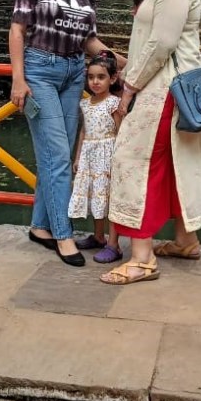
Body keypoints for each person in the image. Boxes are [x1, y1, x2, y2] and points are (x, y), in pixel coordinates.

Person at [100, 0, 201, 286]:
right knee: (172, 163)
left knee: (136, 164)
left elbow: (162, 43)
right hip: (171, 87)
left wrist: (129, 88)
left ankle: (141, 258)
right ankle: (186, 240)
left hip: (162, 90)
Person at [9, 0, 124, 267]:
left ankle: (41, 226)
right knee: (59, 156)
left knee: (55, 155)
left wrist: (125, 61)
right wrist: (18, 78)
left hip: (75, 72)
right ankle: (64, 234)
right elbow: (17, 28)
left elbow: (88, 42)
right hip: (40, 70)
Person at [68, 50, 123, 264]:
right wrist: (78, 157)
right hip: (90, 155)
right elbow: (84, 131)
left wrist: (118, 158)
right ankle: (98, 236)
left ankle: (113, 243)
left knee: (108, 198)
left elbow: (120, 131)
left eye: (101, 77)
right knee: (95, 196)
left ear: (113, 78)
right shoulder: (85, 103)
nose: (95, 82)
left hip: (107, 154)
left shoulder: (113, 103)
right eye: (91, 77)